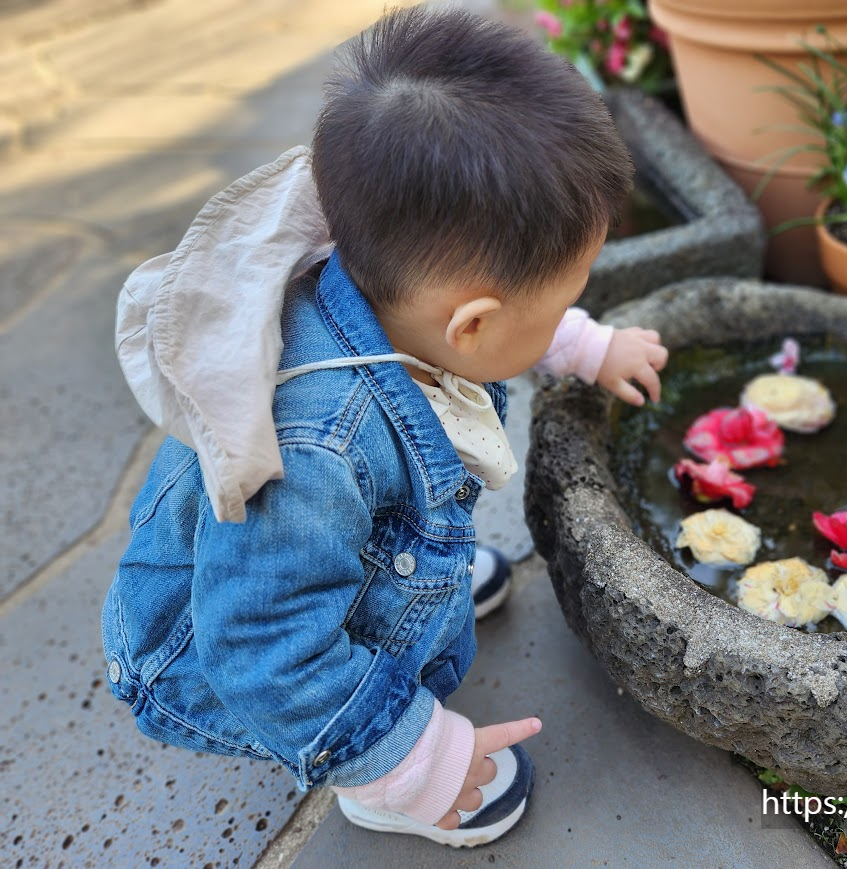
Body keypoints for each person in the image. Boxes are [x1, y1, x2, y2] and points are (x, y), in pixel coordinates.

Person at [102, 5, 667, 849]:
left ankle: (411, 579)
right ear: (471, 325)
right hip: (216, 656)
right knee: (343, 689)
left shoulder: (386, 268)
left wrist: (584, 344)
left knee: (369, 542)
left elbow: (502, 317)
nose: (565, 315)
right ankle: (376, 780)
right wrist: (416, 758)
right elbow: (262, 647)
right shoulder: (315, 452)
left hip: (287, 580)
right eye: (564, 302)